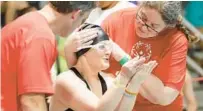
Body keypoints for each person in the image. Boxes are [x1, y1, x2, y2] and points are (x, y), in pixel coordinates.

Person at [64, 1, 199, 111]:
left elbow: (164, 97)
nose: (143, 27)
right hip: (119, 104)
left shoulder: (176, 39)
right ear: (139, 6)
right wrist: (69, 49)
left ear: (167, 27)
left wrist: (122, 57)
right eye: (142, 18)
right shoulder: (116, 19)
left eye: (153, 26)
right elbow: (85, 71)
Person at [1, 1, 96, 111]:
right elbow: (32, 102)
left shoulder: (28, 23)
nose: (79, 26)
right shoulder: (40, 35)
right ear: (75, 14)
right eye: (83, 19)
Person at [50, 23, 158, 111]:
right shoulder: (66, 81)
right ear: (83, 52)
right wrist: (123, 77)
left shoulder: (108, 80)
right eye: (102, 47)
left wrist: (134, 84)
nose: (108, 52)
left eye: (109, 47)